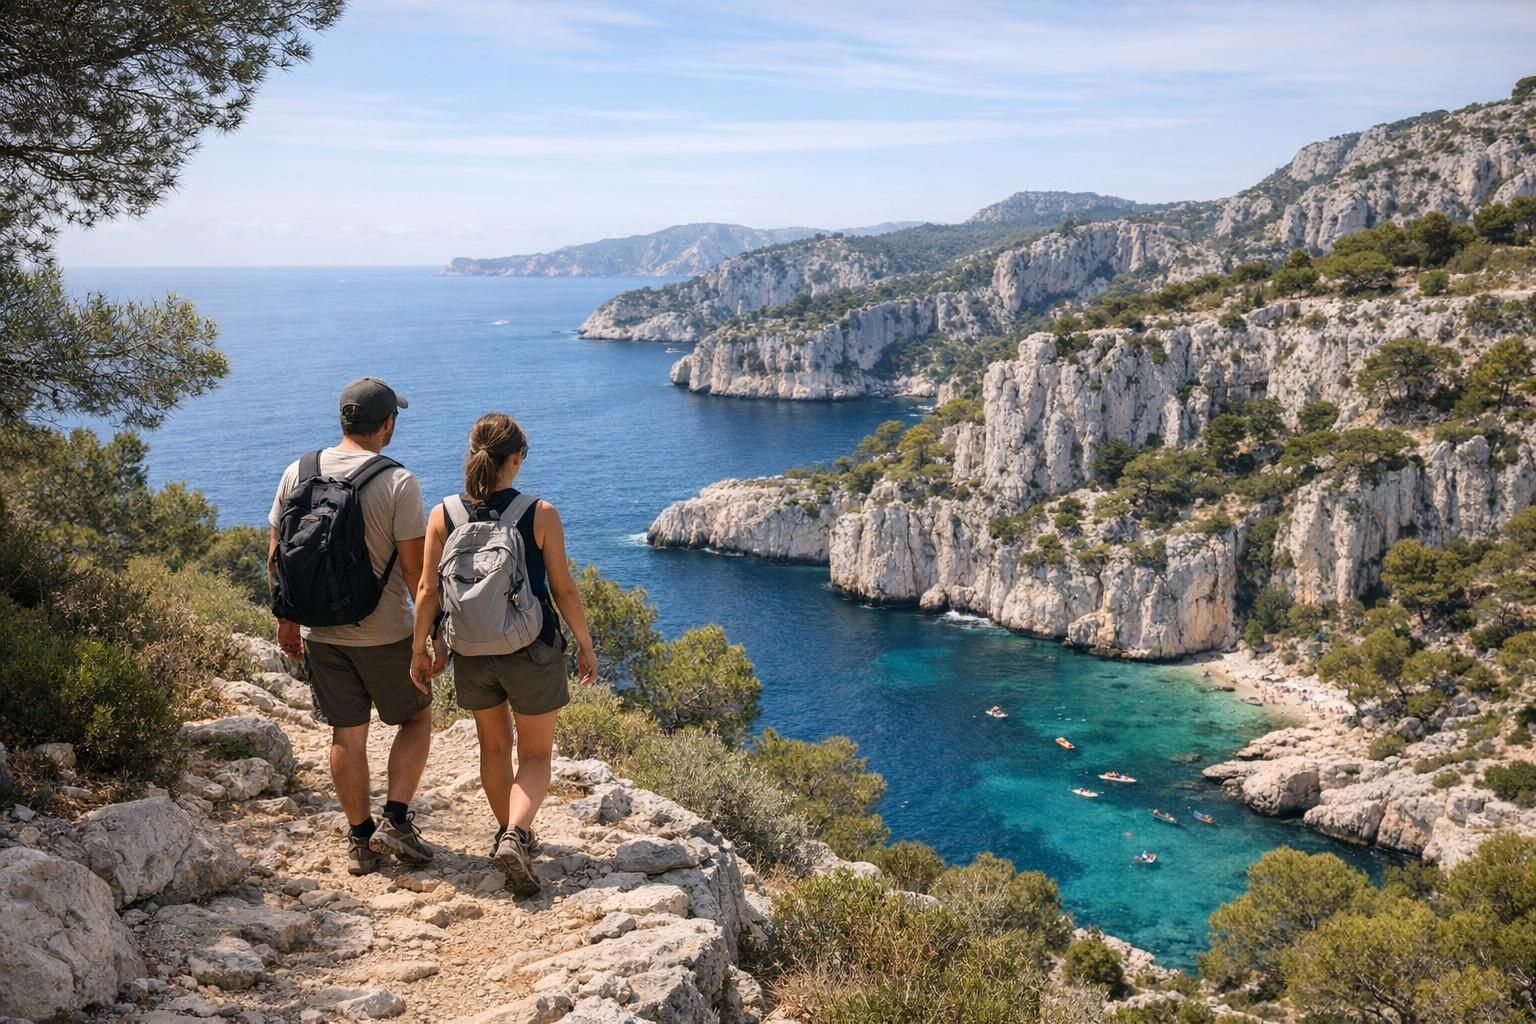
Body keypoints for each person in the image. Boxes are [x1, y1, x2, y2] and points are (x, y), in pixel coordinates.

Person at [411, 412, 598, 896]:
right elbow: (563, 589)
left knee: (494, 747)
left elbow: (428, 588)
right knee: (535, 754)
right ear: (517, 458)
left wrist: (424, 647)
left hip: (470, 651)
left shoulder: (443, 514)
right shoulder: (540, 513)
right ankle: (517, 833)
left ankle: (507, 833)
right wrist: (584, 642)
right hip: (531, 650)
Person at [268, 377, 433, 875]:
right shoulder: (398, 482)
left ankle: (360, 842)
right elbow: (414, 571)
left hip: (320, 632)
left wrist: (287, 620)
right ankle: (396, 821)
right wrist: (428, 636)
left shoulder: (298, 471)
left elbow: (278, 554)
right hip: (385, 633)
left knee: (347, 735)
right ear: (386, 424)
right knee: (416, 718)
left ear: (344, 420)